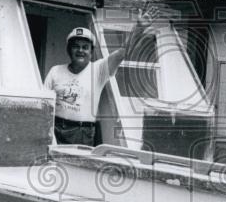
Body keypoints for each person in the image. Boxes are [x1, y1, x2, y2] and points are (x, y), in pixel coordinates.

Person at [44, 16, 149, 146]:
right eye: (76, 46)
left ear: (91, 52)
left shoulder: (98, 70)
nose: (80, 50)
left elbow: (122, 53)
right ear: (69, 49)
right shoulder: (55, 71)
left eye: (85, 47)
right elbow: (44, 106)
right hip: (55, 129)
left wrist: (139, 27)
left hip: (82, 133)